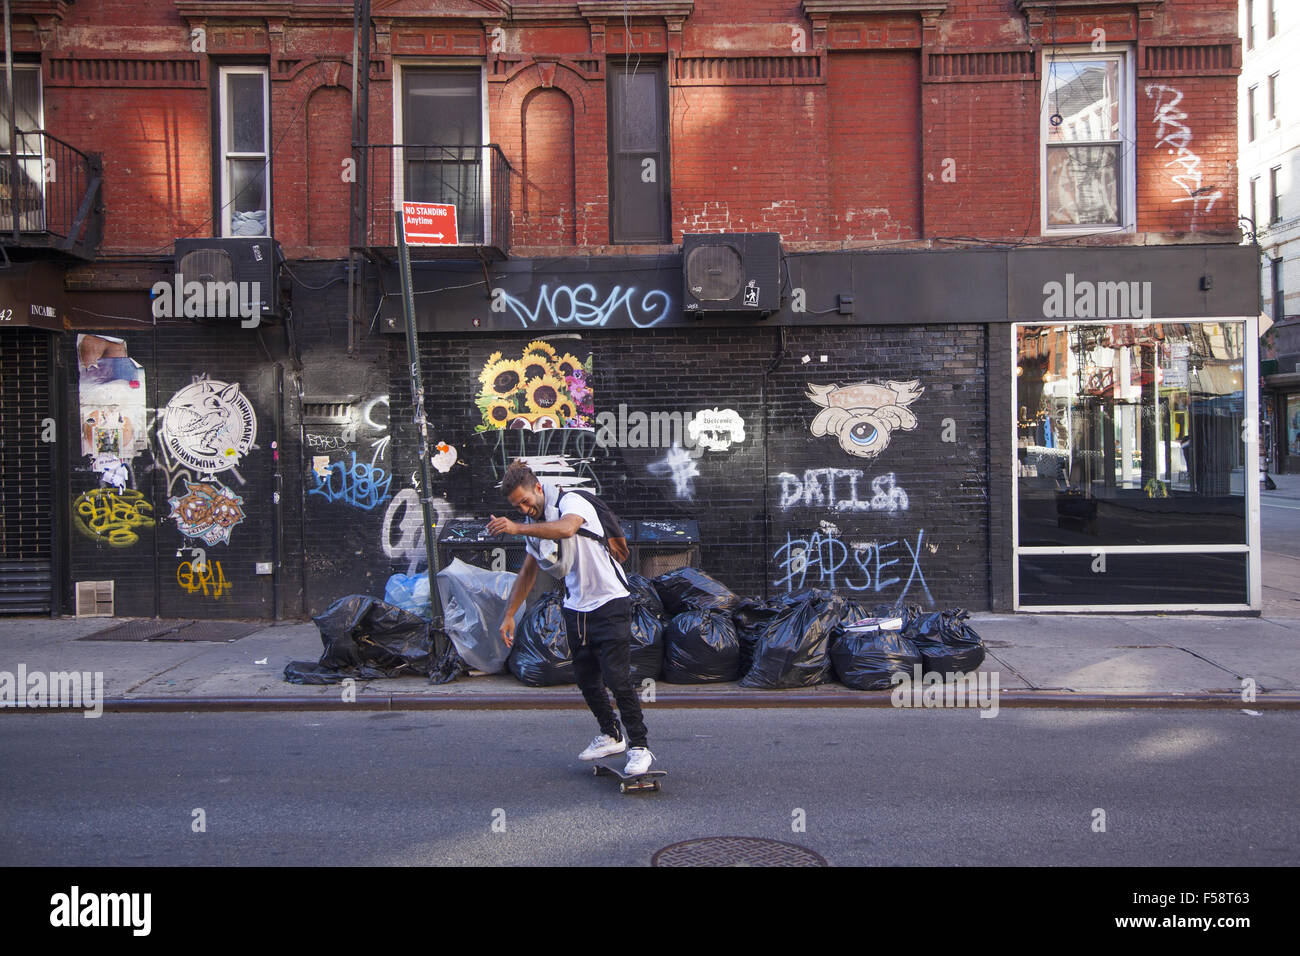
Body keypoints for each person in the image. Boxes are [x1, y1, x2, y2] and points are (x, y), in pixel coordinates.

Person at [487, 460, 654, 775]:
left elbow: (566, 528)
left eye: (526, 501)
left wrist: (516, 527)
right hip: (576, 606)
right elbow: (528, 571)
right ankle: (611, 734)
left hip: (610, 601)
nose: (524, 509)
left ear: (539, 488)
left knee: (617, 678)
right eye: (516, 506)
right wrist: (509, 614)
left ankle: (640, 747)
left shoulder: (571, 501)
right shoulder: (535, 526)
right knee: (586, 678)